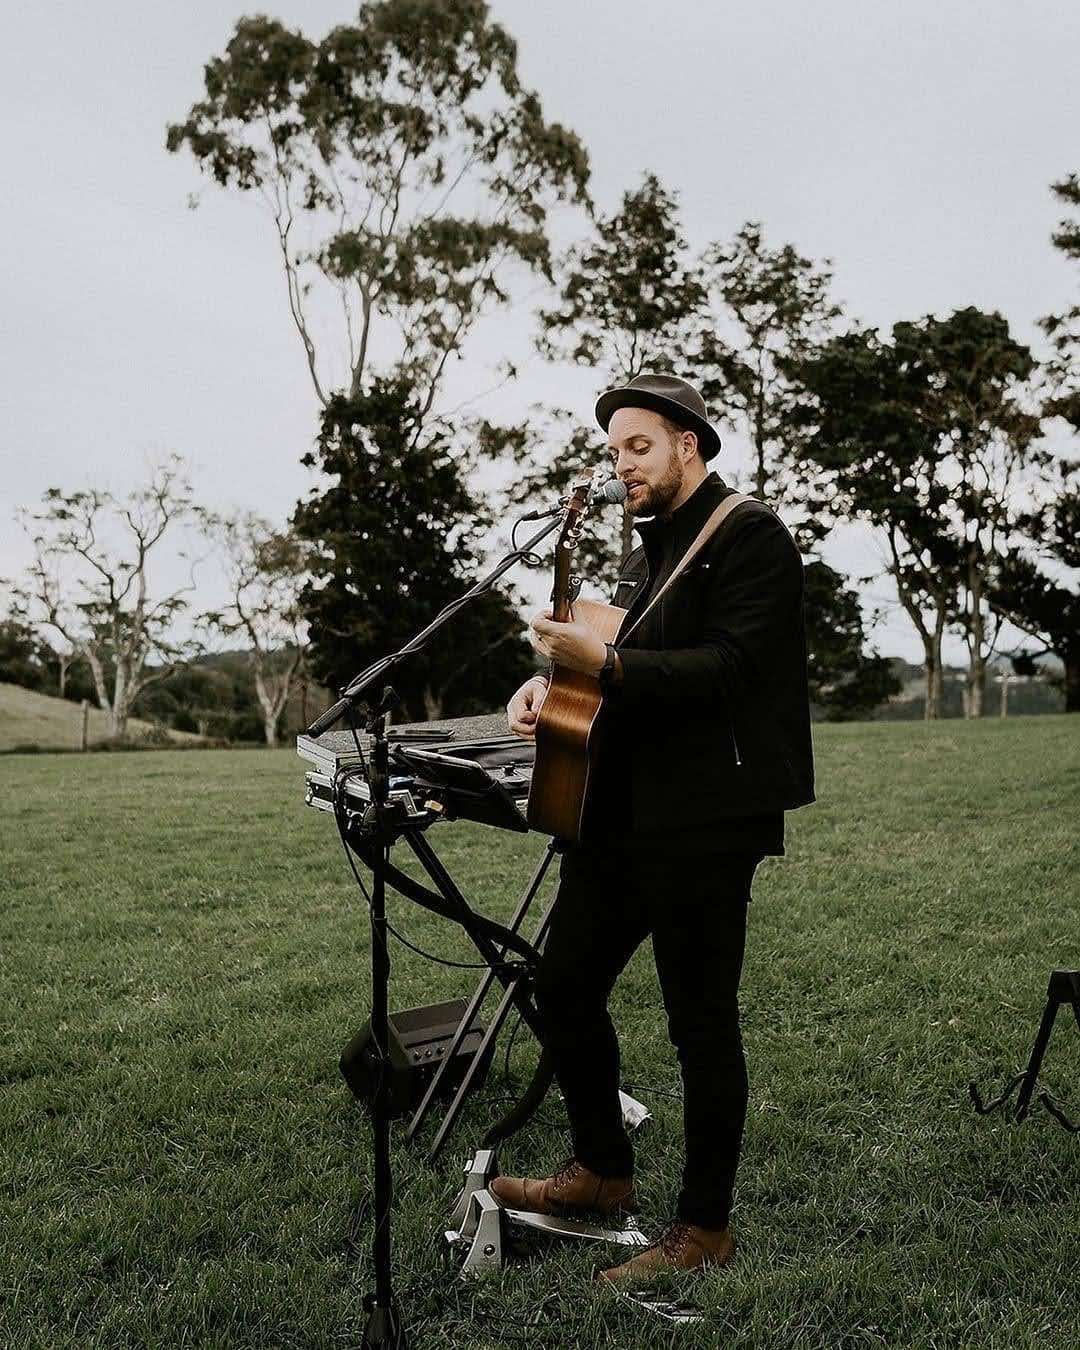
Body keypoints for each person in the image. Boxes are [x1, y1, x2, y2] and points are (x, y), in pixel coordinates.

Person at [498, 372, 815, 1283]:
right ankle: (601, 1170)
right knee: (562, 986)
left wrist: (602, 659)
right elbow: (624, 663)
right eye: (613, 453)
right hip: (623, 810)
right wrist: (552, 684)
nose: (623, 465)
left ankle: (703, 1232)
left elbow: (730, 669)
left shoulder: (748, 535)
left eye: (638, 447)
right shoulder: (650, 552)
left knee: (699, 1022)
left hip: (709, 817)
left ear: (689, 443)